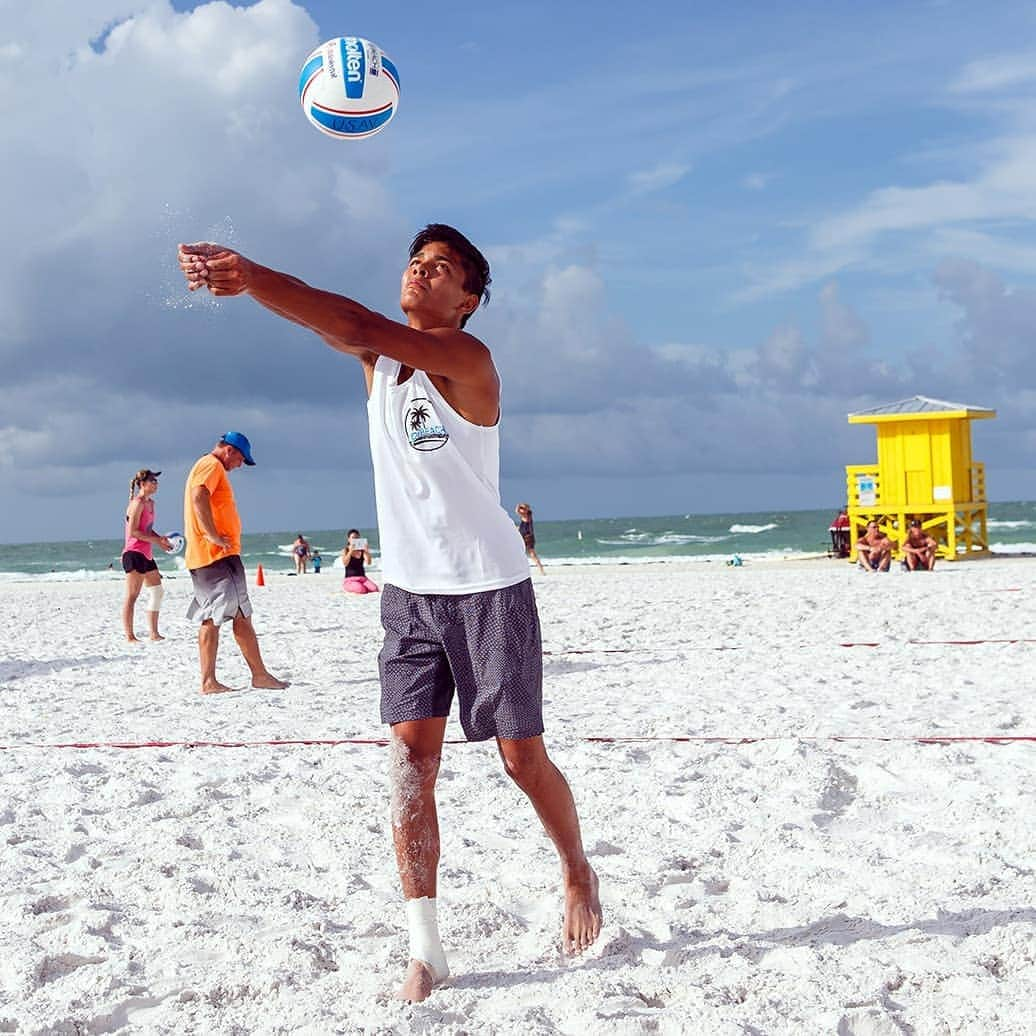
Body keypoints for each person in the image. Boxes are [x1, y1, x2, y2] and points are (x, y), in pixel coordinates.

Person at [178, 225, 602, 1002]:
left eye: (442, 269)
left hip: (488, 588)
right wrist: (254, 287)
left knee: (519, 760)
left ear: (468, 300)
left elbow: (352, 323)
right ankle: (427, 949)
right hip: (409, 594)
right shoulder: (379, 363)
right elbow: (334, 323)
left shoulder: (470, 362)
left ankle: (576, 868)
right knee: (411, 763)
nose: (421, 270)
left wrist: (252, 273)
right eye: (417, 260)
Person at [183, 432, 289, 695]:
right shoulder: (211, 465)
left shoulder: (206, 465)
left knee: (218, 616)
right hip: (217, 556)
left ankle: (218, 679)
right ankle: (258, 676)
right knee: (239, 616)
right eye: (241, 459)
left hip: (206, 556)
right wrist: (212, 534)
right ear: (229, 450)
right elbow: (199, 496)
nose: (239, 465)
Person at [121, 468, 172, 642]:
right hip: (133, 553)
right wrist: (156, 541)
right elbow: (134, 532)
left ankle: (154, 633)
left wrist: (161, 540)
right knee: (132, 595)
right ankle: (129, 636)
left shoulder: (151, 504)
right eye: (152, 481)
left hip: (146, 553)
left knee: (157, 591)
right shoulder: (137, 503)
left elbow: (147, 530)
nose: (156, 484)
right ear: (142, 484)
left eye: (156, 481)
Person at [341, 528, 379, 594]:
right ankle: (348, 586)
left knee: (374, 589)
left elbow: (369, 562)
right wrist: (350, 551)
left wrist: (367, 551)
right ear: (349, 539)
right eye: (353, 538)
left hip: (363, 578)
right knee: (361, 590)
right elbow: (345, 563)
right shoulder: (345, 550)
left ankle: (361, 586)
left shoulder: (362, 550)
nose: (355, 539)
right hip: (350, 579)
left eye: (357, 538)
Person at [515, 502, 545, 575]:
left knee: (532, 555)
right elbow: (517, 511)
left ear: (525, 510)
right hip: (523, 537)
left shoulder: (527, 516)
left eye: (522, 509)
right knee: (520, 553)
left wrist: (520, 506)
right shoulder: (524, 516)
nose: (520, 510)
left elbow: (518, 511)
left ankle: (541, 570)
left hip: (528, 538)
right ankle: (521, 569)